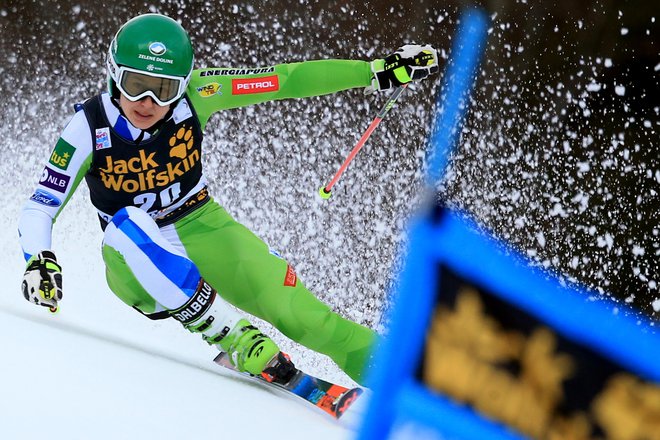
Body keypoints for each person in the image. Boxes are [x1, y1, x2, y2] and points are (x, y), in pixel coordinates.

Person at [18, 13, 438, 385]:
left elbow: (285, 79)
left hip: (200, 222)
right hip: (132, 261)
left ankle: (418, 382)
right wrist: (40, 259)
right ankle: (233, 336)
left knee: (302, 316)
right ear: (113, 75)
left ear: (182, 86)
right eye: (135, 85)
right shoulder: (86, 127)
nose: (147, 102)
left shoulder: (203, 93)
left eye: (163, 90)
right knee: (128, 223)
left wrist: (375, 72)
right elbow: (41, 204)